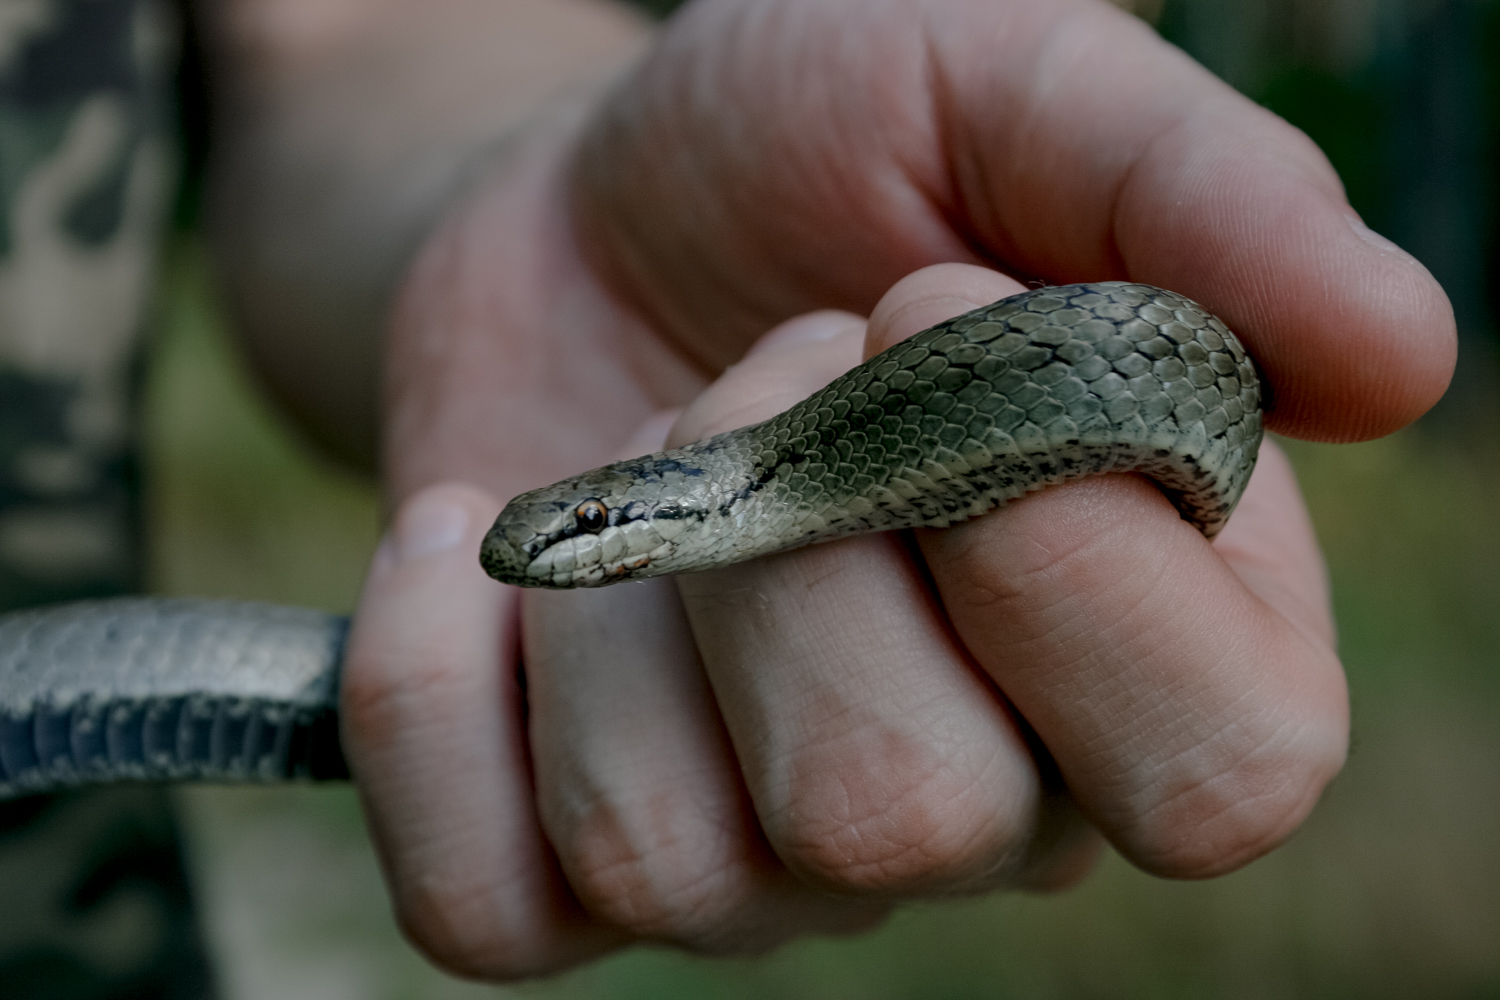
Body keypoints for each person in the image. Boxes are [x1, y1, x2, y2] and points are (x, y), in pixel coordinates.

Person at [3, 0, 1457, 989]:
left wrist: (536, 192)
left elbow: (347, 27)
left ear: (645, 509)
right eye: (584, 528)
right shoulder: (763, 484)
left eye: (587, 526)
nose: (560, 549)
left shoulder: (792, 462)